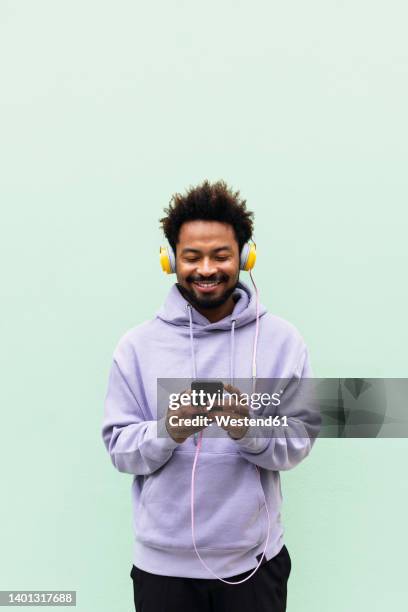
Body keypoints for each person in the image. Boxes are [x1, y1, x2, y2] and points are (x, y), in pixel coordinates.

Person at [101, 179, 320, 611]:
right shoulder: (136, 347)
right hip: (162, 571)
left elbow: (299, 440)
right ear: (170, 260)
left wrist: (248, 429)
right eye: (192, 257)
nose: (206, 269)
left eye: (221, 255)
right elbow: (119, 449)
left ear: (245, 255)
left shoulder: (281, 342)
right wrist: (168, 430)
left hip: (254, 566)